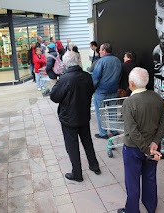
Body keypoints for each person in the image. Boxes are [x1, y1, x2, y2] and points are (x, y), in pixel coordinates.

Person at [117, 68, 164, 213]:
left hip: (133, 148)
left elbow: (132, 131)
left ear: (131, 83)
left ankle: (132, 210)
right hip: (152, 146)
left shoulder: (129, 102)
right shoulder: (156, 97)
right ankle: (151, 206)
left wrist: (146, 149)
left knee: (132, 182)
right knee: (150, 178)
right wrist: (155, 142)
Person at [50, 51, 101, 182]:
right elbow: (91, 91)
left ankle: (77, 174)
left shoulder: (65, 78)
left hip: (69, 118)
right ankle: (94, 165)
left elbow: (54, 97)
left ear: (66, 63)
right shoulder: (86, 76)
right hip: (83, 115)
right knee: (87, 141)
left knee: (72, 146)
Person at [92, 43, 122, 139]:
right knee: (113, 111)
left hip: (101, 92)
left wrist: (92, 89)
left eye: (100, 50)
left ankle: (103, 133)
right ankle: (113, 130)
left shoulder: (100, 62)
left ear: (104, 50)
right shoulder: (117, 60)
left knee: (101, 113)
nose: (99, 51)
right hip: (113, 91)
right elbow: (120, 76)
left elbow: (95, 78)